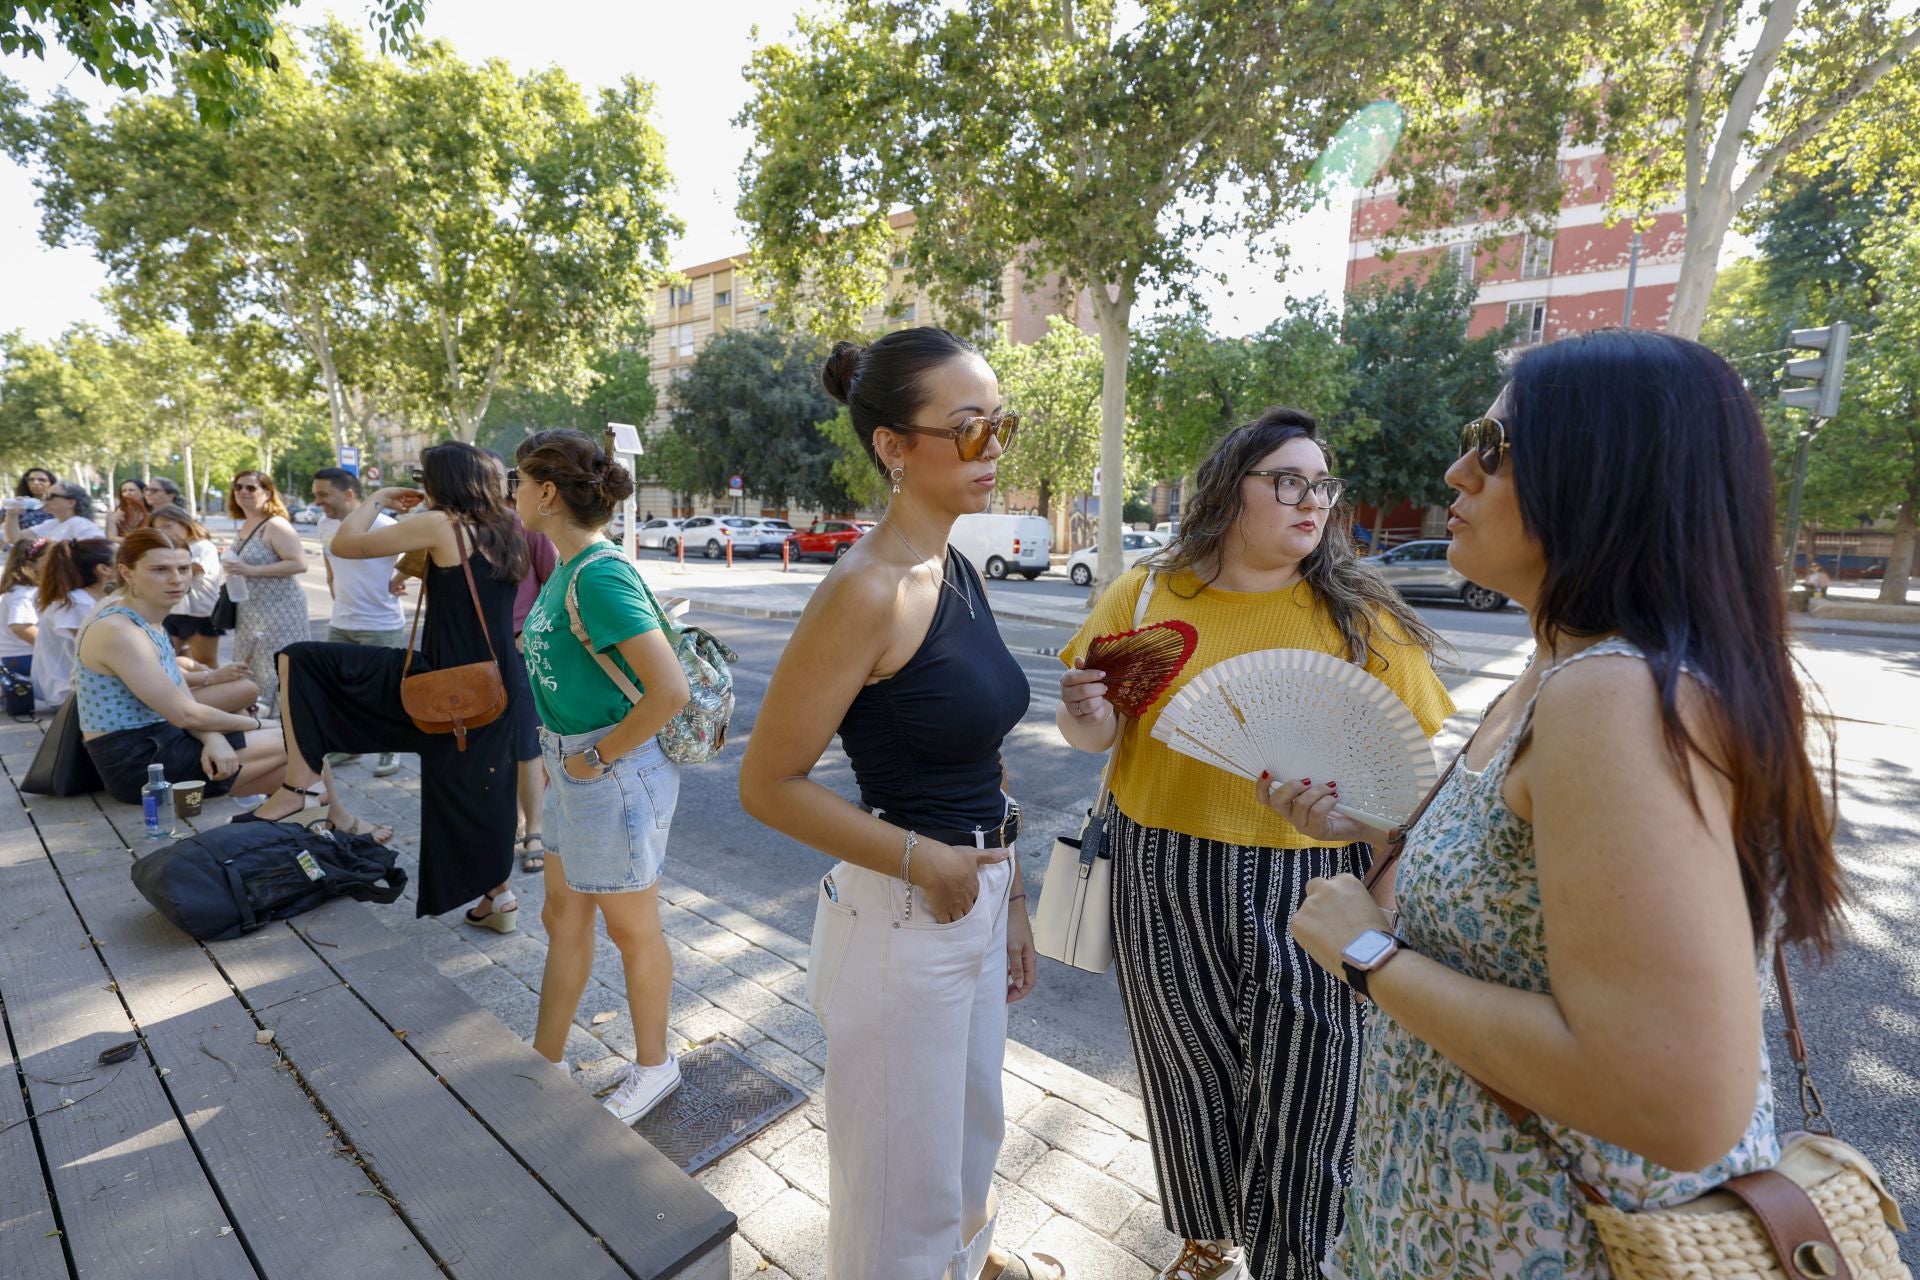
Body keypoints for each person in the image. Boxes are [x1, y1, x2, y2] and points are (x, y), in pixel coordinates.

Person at [1275, 331, 1848, 1280]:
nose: (1458, 471)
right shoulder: (1557, 674)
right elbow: (1525, 894)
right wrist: (1379, 833)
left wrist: (1367, 955)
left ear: (1604, 475)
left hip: (1555, 1247)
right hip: (1439, 1231)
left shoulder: (1612, 694)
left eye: (1493, 448)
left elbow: (1672, 1098)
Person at [1056, 410, 1453, 1280]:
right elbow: (1096, 737)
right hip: (1159, 869)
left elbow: (1413, 796)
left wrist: (1379, 912)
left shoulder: (1362, 621)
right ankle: (1208, 1240)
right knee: (1185, 1073)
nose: (1313, 501)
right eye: (1288, 481)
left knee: (1311, 1097)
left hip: (1313, 886)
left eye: (1322, 484)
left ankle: (1296, 1264)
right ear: (1228, 489)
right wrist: (1083, 713)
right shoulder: (1149, 596)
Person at [739, 328, 1050, 1280]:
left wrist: (1012, 896)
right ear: (894, 446)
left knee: (970, 1141)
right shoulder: (866, 589)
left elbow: (981, 754)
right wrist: (926, 860)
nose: (993, 448)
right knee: (896, 1199)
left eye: (1001, 426)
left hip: (975, 892)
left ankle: (972, 1263)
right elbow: (768, 783)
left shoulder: (956, 566)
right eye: (969, 428)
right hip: (904, 911)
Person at [263, 441, 530, 918]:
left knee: (302, 659)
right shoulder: (507, 525)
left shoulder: (441, 524)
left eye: (422, 476)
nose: (420, 484)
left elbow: (344, 544)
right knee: (480, 787)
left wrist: (378, 499)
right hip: (496, 679)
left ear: (444, 480)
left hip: (446, 678)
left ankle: (301, 784)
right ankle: (500, 896)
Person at [512, 429, 691, 1116]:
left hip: (609, 771)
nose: (513, 493)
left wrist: (596, 757)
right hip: (574, 766)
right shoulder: (568, 567)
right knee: (563, 915)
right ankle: (546, 1059)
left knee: (632, 930)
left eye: (519, 482)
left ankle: (656, 1066)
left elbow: (669, 691)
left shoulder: (599, 574)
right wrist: (563, 756)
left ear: (547, 492)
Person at [75, 529, 295, 806]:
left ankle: (283, 822)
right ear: (127, 573)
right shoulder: (119, 631)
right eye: (159, 570)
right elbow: (184, 713)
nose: (176, 579)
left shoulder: (149, 621)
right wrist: (261, 723)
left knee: (299, 771)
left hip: (164, 742)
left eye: (183, 568)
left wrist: (213, 738)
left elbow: (184, 703)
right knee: (300, 738)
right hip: (140, 766)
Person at [310, 467, 404, 779]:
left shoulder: (385, 525)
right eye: (315, 495)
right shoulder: (324, 523)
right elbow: (329, 565)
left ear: (348, 493)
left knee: (385, 691)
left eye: (323, 494)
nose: (317, 502)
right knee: (340, 690)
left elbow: (422, 556)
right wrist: (334, 592)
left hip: (381, 624)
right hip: (341, 621)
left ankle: (392, 748)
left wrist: (399, 579)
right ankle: (349, 745)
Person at [224, 470, 309, 708]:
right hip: (250, 609)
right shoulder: (247, 523)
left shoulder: (275, 524)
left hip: (280, 610)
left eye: (251, 488)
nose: (243, 492)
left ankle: (283, 720)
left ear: (268, 493)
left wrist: (250, 570)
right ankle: (259, 715)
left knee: (274, 667)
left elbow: (299, 564)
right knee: (254, 665)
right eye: (238, 487)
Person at [33, 537, 116, 706]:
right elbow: (101, 652)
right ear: (104, 569)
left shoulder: (86, 599)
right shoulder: (76, 604)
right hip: (68, 692)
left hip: (81, 688)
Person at [147, 504, 227, 668]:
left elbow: (193, 569)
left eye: (168, 525)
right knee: (165, 658)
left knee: (205, 660)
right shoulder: (168, 549)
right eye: (158, 530)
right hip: (173, 610)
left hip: (200, 613)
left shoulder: (202, 545)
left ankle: (216, 684)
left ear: (183, 522)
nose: (164, 532)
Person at [0, 538, 48, 682]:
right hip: (23, 656)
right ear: (30, 564)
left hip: (23, 656)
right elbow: (20, 626)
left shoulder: (27, 590)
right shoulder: (23, 593)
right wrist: (50, 646)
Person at [7, 482, 104, 544]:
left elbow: (98, 549)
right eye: (45, 496)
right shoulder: (53, 523)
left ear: (70, 503)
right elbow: (16, 539)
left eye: (51, 496)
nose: (45, 499)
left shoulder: (81, 524)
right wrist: (12, 514)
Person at [5, 468, 58, 541]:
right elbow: (11, 538)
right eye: (31, 480)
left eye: (42, 480)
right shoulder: (17, 504)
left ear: (51, 484)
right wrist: (12, 514)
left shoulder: (59, 506)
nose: (36, 482)